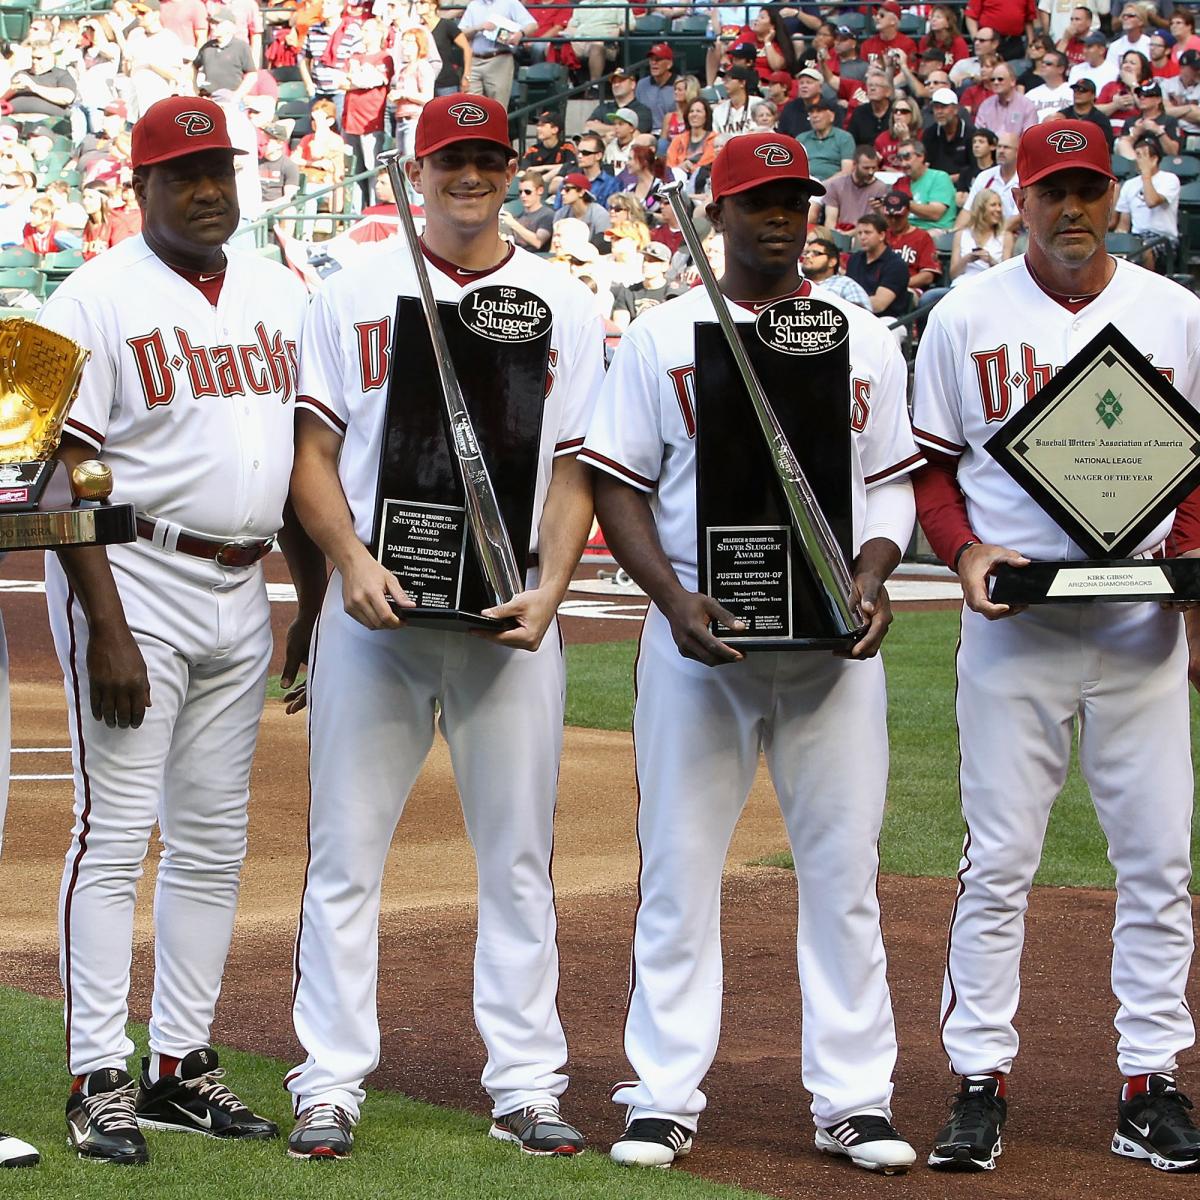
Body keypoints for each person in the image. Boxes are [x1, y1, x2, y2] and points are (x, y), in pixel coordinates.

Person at [578, 129, 921, 1176]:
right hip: (704, 647)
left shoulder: (860, 337)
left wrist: (872, 572)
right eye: (757, 202)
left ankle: (855, 1100)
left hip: (829, 657)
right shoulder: (662, 335)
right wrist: (673, 597)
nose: (779, 219)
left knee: (844, 875)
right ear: (717, 216)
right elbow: (617, 482)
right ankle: (664, 1093)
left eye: (794, 202)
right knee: (679, 874)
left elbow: (892, 483)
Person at [285, 93, 604, 1162]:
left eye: (487, 158)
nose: (470, 174)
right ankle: (327, 1080)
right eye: (451, 159)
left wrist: (552, 588)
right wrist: (349, 564)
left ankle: (524, 1081)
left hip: (509, 621)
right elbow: (314, 459)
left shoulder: (565, 297)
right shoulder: (351, 291)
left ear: (509, 169)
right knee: (344, 855)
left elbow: (573, 468)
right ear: (416, 171)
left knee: (517, 856)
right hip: (379, 615)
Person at [911, 117, 1200, 1176]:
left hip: (1139, 630)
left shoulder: (1175, 314)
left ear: (1116, 196)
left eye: (1088, 189)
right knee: (998, 865)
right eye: (1051, 191)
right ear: (1015, 198)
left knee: (1160, 861)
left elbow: (1198, 471)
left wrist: (1194, 589)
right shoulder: (966, 315)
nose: (1071, 209)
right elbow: (932, 467)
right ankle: (979, 1079)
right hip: (1016, 628)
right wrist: (963, 550)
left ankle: (1150, 1080)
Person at [36, 95, 320, 1167]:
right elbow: (58, 470)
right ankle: (98, 1073)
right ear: (140, 187)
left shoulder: (281, 295)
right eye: (183, 175)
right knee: (113, 833)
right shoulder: (91, 299)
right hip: (136, 576)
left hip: (242, 587)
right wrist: (104, 624)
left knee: (211, 840)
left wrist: (310, 600)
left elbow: (300, 466)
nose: (208, 192)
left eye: (221, 172)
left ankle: (180, 1069)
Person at [1115, 134, 1181, 271]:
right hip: (1135, 237)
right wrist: (1117, 241)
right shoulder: (1129, 185)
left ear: (1154, 159)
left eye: (1141, 155)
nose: (1137, 160)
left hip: (1163, 239)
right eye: (1137, 154)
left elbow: (1152, 201)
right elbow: (1123, 224)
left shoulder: (1169, 179)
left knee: (1145, 249)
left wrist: (1146, 174)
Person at [460, 0, 536, 107]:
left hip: (499, 59)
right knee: (471, 106)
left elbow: (532, 24)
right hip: (474, 60)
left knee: (497, 106)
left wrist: (520, 33)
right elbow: (460, 33)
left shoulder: (510, 3)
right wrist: (478, 27)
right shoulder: (474, 5)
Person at [848, 210, 911, 318]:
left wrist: (846, 304)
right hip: (856, 316)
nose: (862, 237)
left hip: (888, 319)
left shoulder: (896, 265)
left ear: (882, 235)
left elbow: (879, 305)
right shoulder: (855, 259)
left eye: (867, 232)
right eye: (859, 233)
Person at [949, 185, 1012, 284]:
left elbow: (1007, 276)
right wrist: (967, 258)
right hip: (961, 285)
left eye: (1000, 205)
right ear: (980, 208)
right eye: (993, 205)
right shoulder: (961, 234)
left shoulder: (1006, 236)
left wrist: (991, 261)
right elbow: (953, 275)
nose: (998, 209)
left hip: (991, 286)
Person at [882, 190, 942, 291]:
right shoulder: (880, 235)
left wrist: (897, 285)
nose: (893, 221)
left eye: (898, 217)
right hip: (878, 287)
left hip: (909, 288)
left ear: (908, 213)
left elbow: (928, 276)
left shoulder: (922, 237)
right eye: (889, 216)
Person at [817, 144, 888, 229]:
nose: (871, 172)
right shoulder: (836, 185)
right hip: (842, 231)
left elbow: (883, 223)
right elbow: (830, 221)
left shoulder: (881, 187)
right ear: (854, 165)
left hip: (867, 233)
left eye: (874, 168)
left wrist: (879, 210)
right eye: (866, 168)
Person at [958, 129, 1019, 226]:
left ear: (1018, 152)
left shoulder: (1025, 180)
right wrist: (956, 232)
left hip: (1015, 234)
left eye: (1006, 147)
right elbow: (968, 210)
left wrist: (993, 237)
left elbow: (1017, 218)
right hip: (984, 232)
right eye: (999, 147)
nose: (1001, 151)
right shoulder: (984, 176)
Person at [802, 225, 873, 308]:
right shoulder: (795, 284)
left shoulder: (846, 284)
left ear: (832, 262)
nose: (808, 256)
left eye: (816, 253)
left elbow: (864, 317)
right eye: (806, 253)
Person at [898, 139, 958, 229]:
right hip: (906, 231)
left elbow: (935, 214)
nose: (903, 164)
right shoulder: (900, 182)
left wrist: (903, 203)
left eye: (907, 157)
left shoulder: (939, 177)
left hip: (934, 230)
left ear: (921, 156)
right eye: (899, 159)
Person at [924, 87, 976, 185]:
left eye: (943, 107)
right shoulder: (929, 133)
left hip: (963, 186)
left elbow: (975, 168)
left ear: (956, 109)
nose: (939, 111)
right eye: (936, 107)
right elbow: (925, 164)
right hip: (935, 185)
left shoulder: (971, 134)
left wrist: (948, 179)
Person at [1115, 79, 1180, 157]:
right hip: (1134, 163)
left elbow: (1173, 152)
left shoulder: (1169, 120)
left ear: (1158, 99)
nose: (1142, 97)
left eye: (1148, 94)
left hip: (1162, 164)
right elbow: (1121, 148)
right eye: (1139, 94)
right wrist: (1135, 134)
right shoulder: (1130, 122)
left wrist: (1158, 131)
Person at [1052, 75, 1116, 150]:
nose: (1077, 93)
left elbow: (1107, 146)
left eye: (1083, 90)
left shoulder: (1100, 119)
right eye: (1075, 90)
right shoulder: (1063, 115)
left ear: (1093, 95)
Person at [799, 97, 856, 179]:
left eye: (819, 111)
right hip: (806, 185)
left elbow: (847, 171)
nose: (814, 116)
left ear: (831, 116)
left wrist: (825, 185)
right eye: (811, 112)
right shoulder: (801, 138)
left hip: (834, 186)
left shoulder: (845, 138)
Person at [975, 62, 1039, 135]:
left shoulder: (1027, 106)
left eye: (1000, 79)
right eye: (992, 80)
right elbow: (979, 134)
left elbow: (1029, 137)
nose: (996, 82)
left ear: (1012, 81)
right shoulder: (986, 105)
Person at [520, 109, 577, 191]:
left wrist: (542, 168)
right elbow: (523, 171)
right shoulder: (533, 149)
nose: (538, 129)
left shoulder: (566, 147)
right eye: (538, 125)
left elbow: (572, 165)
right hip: (533, 191)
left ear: (555, 129)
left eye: (542, 125)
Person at [503, 169, 555, 250]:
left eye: (527, 192)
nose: (523, 195)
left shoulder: (547, 215)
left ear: (540, 190)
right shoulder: (520, 215)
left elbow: (538, 242)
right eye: (520, 192)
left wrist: (513, 224)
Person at [666, 98, 717, 180]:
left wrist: (690, 168)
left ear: (706, 115)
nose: (694, 114)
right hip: (678, 179)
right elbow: (669, 165)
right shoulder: (678, 139)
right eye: (691, 111)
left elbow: (706, 165)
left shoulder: (714, 138)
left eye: (698, 111)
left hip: (702, 180)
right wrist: (679, 168)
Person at [862, 1, 918, 70]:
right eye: (876, 14)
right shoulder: (867, 45)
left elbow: (910, 70)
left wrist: (890, 81)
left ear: (893, 21)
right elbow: (864, 72)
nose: (877, 18)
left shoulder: (908, 44)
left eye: (882, 15)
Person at [636, 42, 677, 134]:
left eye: (658, 59)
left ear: (669, 64)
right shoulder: (642, 84)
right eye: (651, 59)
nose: (654, 63)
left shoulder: (680, 84)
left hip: (672, 134)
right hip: (645, 133)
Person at [1023, 49, 1074, 120]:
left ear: (1061, 69)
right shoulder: (1031, 95)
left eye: (1048, 64)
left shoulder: (1073, 91)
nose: (1043, 65)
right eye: (1042, 62)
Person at [711, 64, 759, 135]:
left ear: (742, 83)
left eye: (729, 78)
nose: (725, 82)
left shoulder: (758, 104)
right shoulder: (718, 111)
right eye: (724, 78)